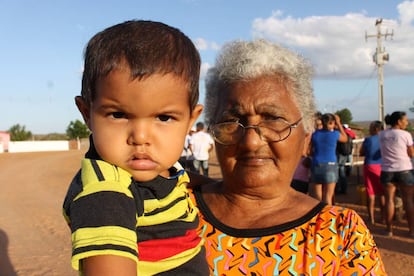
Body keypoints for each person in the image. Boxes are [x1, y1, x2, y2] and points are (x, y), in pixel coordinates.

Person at [190, 39, 385, 274]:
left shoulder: (341, 234)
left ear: (306, 138)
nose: (251, 141)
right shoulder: (171, 209)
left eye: (273, 119)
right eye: (232, 121)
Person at [62, 20, 209, 275]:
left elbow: (182, 179)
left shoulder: (161, 165)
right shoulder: (106, 195)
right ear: (87, 113)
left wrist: (217, 187)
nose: (141, 137)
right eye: (118, 115)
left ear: (190, 120)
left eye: (164, 118)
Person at [379, 111, 414, 237]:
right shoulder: (405, 135)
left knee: (389, 200)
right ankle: (411, 230)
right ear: (399, 122)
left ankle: (389, 230)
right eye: (405, 120)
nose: (407, 122)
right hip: (404, 169)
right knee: (408, 200)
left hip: (387, 170)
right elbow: (411, 153)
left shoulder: (382, 134)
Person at [310, 113, 348, 204]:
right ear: (332, 122)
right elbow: (345, 138)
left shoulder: (315, 134)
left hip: (316, 164)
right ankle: (329, 218)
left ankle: (318, 216)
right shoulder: (334, 134)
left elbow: (310, 150)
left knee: (317, 197)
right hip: (330, 165)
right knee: (328, 197)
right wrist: (339, 124)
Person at [360, 120, 385, 225]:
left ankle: (371, 218)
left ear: (375, 129)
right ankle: (384, 217)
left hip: (369, 165)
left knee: (370, 192)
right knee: (382, 193)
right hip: (381, 166)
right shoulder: (384, 139)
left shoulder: (368, 140)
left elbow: (361, 152)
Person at [336, 123, 356, 194]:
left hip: (340, 154)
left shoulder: (339, 135)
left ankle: (339, 189)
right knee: (342, 171)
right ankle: (343, 188)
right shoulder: (347, 134)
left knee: (339, 172)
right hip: (346, 153)